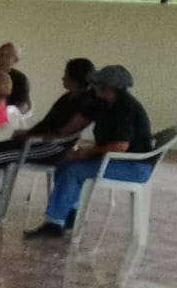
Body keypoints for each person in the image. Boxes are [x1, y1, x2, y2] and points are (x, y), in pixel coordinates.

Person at [26, 64, 153, 239]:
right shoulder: (105, 103)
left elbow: (120, 146)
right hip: (115, 160)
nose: (93, 87)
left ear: (107, 88)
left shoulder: (125, 108)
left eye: (97, 84)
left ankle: (55, 223)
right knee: (65, 163)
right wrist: (56, 136)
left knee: (73, 171)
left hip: (133, 167)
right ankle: (70, 213)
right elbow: (79, 121)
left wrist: (87, 152)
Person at [0, 57, 97, 216]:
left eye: (66, 74)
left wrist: (31, 138)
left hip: (52, 148)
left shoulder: (85, 103)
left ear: (75, 78)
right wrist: (27, 133)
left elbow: (63, 133)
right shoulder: (66, 98)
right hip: (37, 141)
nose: (63, 78)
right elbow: (46, 122)